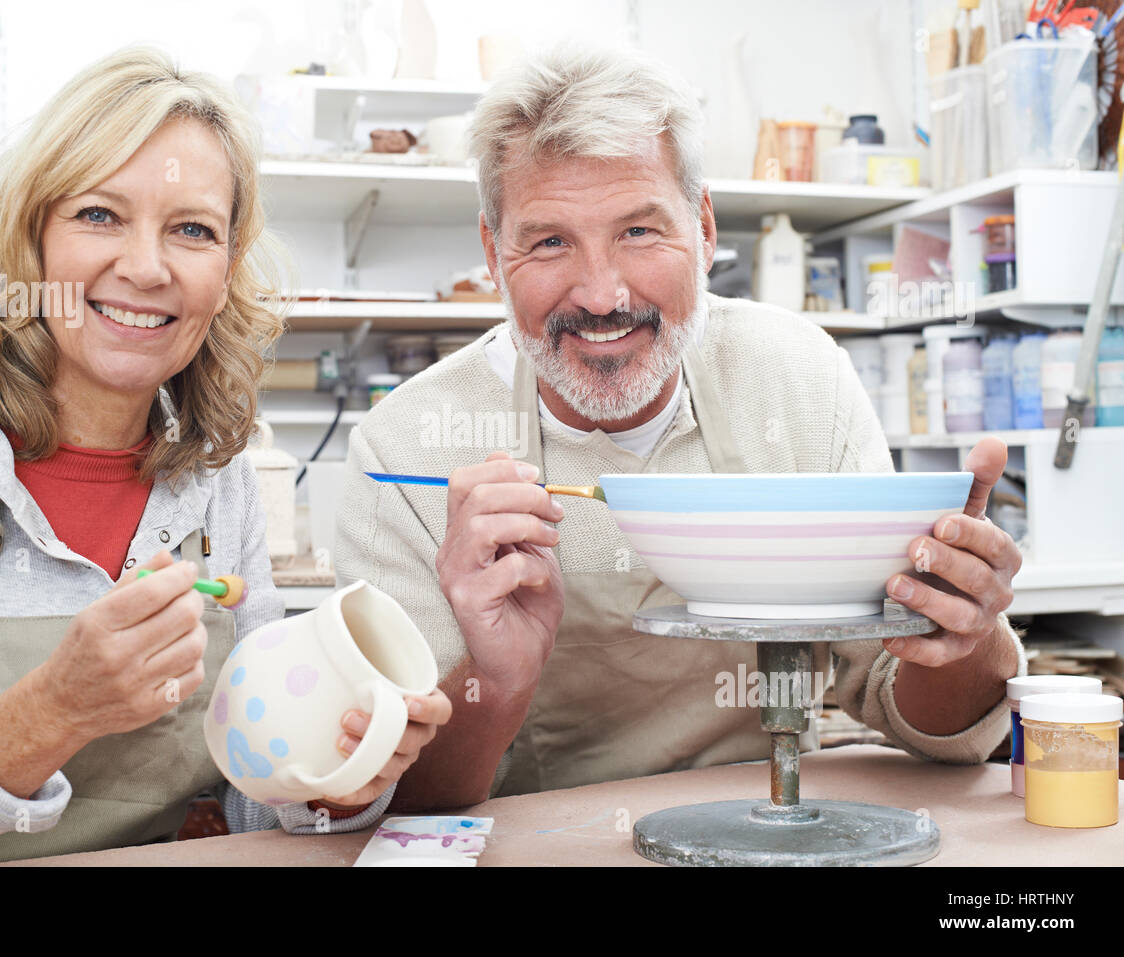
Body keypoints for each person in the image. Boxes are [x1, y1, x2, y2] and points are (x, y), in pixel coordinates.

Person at [335, 44, 1024, 808]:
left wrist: (965, 629)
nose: (601, 294)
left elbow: (921, 715)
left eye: (638, 231)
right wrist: (495, 680)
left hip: (773, 830)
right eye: (550, 240)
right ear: (494, 255)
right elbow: (399, 799)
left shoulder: (801, 379)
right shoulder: (403, 453)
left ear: (702, 228)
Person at [0, 47, 449, 865]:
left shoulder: (216, 487)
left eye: (192, 230)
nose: (147, 267)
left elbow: (257, 805)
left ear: (224, 274)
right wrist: (51, 711)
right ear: (30, 244)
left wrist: (341, 778)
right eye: (98, 215)